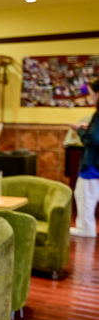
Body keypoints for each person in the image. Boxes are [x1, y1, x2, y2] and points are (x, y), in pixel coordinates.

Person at [69, 79, 99, 238]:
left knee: (85, 195)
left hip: (92, 164)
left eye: (92, 94)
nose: (90, 97)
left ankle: (85, 228)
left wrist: (79, 130)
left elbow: (92, 139)